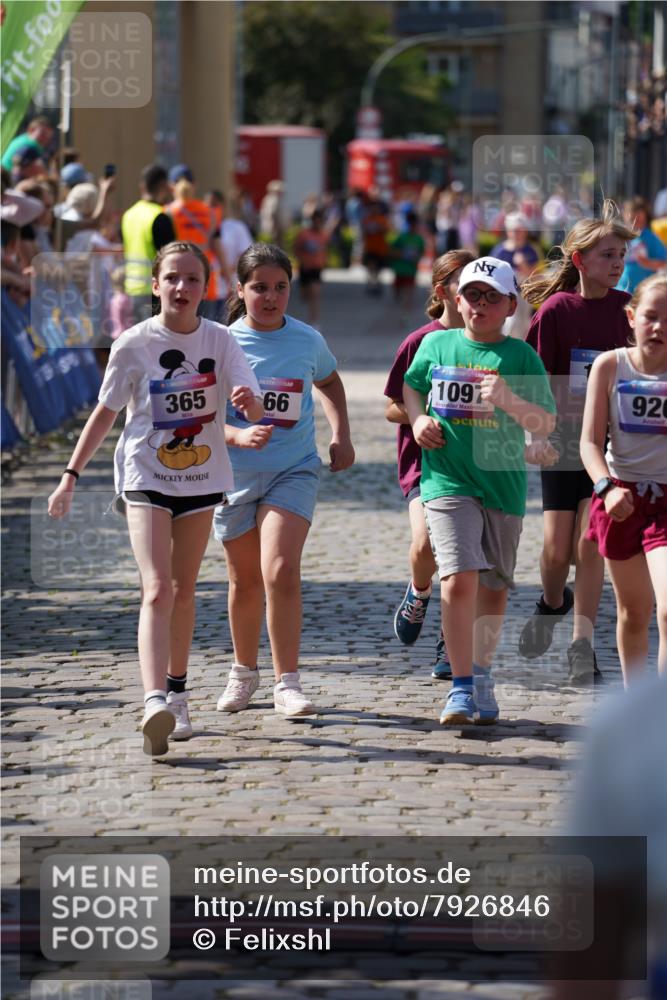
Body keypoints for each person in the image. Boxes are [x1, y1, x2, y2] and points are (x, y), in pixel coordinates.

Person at [47, 241, 263, 756]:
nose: (182, 287)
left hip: (202, 476)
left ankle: (178, 694)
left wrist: (248, 403)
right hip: (145, 474)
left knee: (184, 591)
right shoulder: (134, 343)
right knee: (157, 589)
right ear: (155, 284)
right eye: (172, 278)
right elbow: (105, 412)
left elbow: (254, 408)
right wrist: (70, 475)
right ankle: (153, 701)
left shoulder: (221, 340)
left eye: (192, 279)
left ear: (206, 287)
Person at [403, 257, 556, 725]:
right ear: (456, 298)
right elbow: (412, 386)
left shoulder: (521, 356)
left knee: (493, 587)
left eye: (492, 297)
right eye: (472, 294)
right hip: (447, 479)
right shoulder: (437, 343)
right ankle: (461, 686)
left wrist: (508, 399)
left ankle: (482, 674)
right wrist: (419, 420)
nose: (480, 304)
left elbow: (546, 422)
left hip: (503, 486)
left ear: (511, 305)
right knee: (458, 577)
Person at [214, 243, 354, 718]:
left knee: (279, 570)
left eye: (280, 287)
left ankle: (287, 683)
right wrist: (237, 432)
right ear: (240, 290)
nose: (271, 297)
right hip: (233, 474)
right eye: (259, 288)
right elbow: (203, 417)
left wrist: (341, 434)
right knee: (244, 580)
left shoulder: (306, 339)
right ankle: (243, 672)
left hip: (292, 470)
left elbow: (329, 381)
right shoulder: (221, 343)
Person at [518, 203, 637, 684]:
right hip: (562, 440)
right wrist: (536, 435)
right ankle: (552, 601)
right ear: (579, 259)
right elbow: (533, 381)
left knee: (590, 544)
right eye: (608, 254)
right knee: (555, 551)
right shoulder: (556, 311)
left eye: (621, 255)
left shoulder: (628, 309)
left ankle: (581, 646)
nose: (617, 263)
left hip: (610, 443)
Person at [385, 249, 475, 681]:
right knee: (425, 545)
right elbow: (391, 407)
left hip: (472, 467)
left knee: (462, 560)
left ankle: (449, 641)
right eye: (465, 283)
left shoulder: (488, 343)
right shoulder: (419, 341)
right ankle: (419, 592)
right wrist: (423, 416)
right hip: (426, 463)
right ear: (442, 291)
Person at [580, 273, 667, 685]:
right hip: (620, 498)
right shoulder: (610, 365)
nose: (659, 327)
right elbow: (589, 443)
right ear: (632, 317)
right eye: (651, 316)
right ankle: (637, 706)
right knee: (634, 613)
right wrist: (606, 488)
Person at [166, 166, 230, 322]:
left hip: (178, 282)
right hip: (206, 280)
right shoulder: (210, 212)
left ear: (171, 186)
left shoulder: (167, 212)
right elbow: (217, 245)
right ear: (194, 185)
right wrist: (227, 275)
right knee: (207, 329)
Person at [121, 164, 176, 323]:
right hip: (154, 292)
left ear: (142, 186)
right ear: (164, 186)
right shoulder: (160, 217)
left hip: (131, 289)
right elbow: (171, 260)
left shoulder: (128, 215)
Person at [618, 196, 667, 294]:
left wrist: (648, 263)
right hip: (621, 288)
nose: (635, 220)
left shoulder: (650, 237)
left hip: (641, 291)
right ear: (625, 216)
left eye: (639, 217)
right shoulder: (621, 236)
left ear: (646, 217)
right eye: (632, 217)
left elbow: (664, 262)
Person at [294, 207, 329, 328]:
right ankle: (305, 293)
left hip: (316, 269)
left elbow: (325, 251)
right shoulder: (304, 234)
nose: (317, 223)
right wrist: (300, 260)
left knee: (315, 293)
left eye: (320, 221)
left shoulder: (323, 235)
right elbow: (296, 249)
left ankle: (314, 320)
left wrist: (324, 263)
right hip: (305, 268)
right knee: (305, 295)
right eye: (316, 220)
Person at [389, 210, 425, 313]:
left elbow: (421, 253)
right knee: (398, 290)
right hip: (400, 268)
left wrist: (416, 257)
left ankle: (406, 308)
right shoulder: (401, 237)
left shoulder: (419, 239)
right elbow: (392, 250)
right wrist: (402, 254)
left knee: (409, 290)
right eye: (411, 224)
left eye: (415, 225)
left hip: (411, 269)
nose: (413, 227)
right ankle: (400, 303)